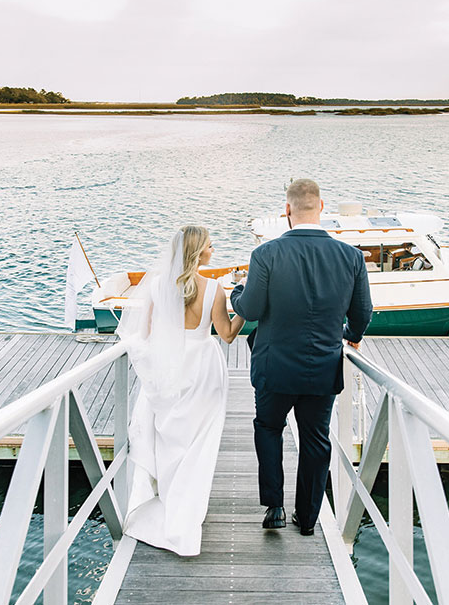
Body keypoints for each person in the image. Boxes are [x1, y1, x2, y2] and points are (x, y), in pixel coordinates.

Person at [231, 179, 372, 535]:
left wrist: (235, 292)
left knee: (268, 428)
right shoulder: (351, 256)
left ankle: (275, 507)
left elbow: (250, 307)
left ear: (288, 210)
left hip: (274, 366)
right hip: (322, 366)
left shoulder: (266, 254)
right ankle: (308, 518)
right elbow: (363, 313)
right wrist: (350, 337)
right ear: (321, 207)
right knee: (315, 439)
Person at [118, 225, 245, 556]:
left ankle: (167, 499)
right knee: (198, 443)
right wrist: (244, 310)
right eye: (209, 246)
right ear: (197, 252)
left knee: (170, 439)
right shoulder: (214, 289)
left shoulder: (158, 286)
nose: (212, 250)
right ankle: (187, 511)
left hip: (168, 368)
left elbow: (144, 334)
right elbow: (228, 334)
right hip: (203, 370)